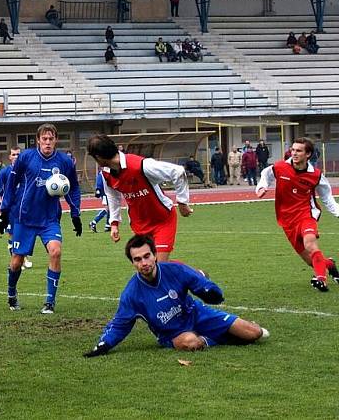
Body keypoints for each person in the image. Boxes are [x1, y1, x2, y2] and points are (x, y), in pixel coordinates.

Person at [83, 235, 268, 357]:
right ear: (132, 263)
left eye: (147, 256)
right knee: (191, 343)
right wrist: (103, 345)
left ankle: (221, 333)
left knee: (255, 333)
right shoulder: (131, 294)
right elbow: (119, 325)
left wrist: (211, 292)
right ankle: (218, 337)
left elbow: (201, 283)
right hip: (172, 333)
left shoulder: (174, 270)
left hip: (197, 314)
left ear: (155, 255)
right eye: (138, 259)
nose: (144, 262)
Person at [0, 123, 83, 314]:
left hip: (49, 219)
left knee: (55, 252)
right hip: (24, 217)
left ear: (55, 140)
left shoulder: (64, 161)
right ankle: (12, 294)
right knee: (16, 262)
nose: (47, 142)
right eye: (44, 139)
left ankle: (49, 302)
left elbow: (74, 188)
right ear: (38, 140)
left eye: (51, 139)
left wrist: (75, 213)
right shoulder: (26, 157)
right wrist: (4, 212)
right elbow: (12, 184)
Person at [87, 134, 192, 262]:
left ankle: (196, 276)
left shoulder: (141, 165)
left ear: (98, 157)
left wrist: (182, 202)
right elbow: (113, 197)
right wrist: (114, 223)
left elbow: (178, 172)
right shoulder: (106, 174)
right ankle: (193, 274)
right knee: (148, 268)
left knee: (157, 267)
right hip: (139, 226)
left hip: (162, 221)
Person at [256, 137, 339, 292]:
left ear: (308, 154)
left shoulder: (315, 175)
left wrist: (337, 212)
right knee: (310, 261)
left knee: (310, 244)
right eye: (293, 150)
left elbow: (327, 198)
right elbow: (265, 174)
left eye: (298, 151)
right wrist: (262, 187)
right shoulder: (280, 167)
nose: (294, 153)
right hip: (287, 220)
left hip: (306, 215)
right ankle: (330, 265)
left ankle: (321, 280)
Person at [0, 146, 33, 269]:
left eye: (18, 154)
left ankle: (24, 258)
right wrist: (2, 206)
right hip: (10, 210)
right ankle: (15, 260)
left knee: (23, 234)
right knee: (12, 235)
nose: (16, 157)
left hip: (23, 208)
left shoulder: (27, 171)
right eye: (14, 154)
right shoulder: (4, 172)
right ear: (10, 157)